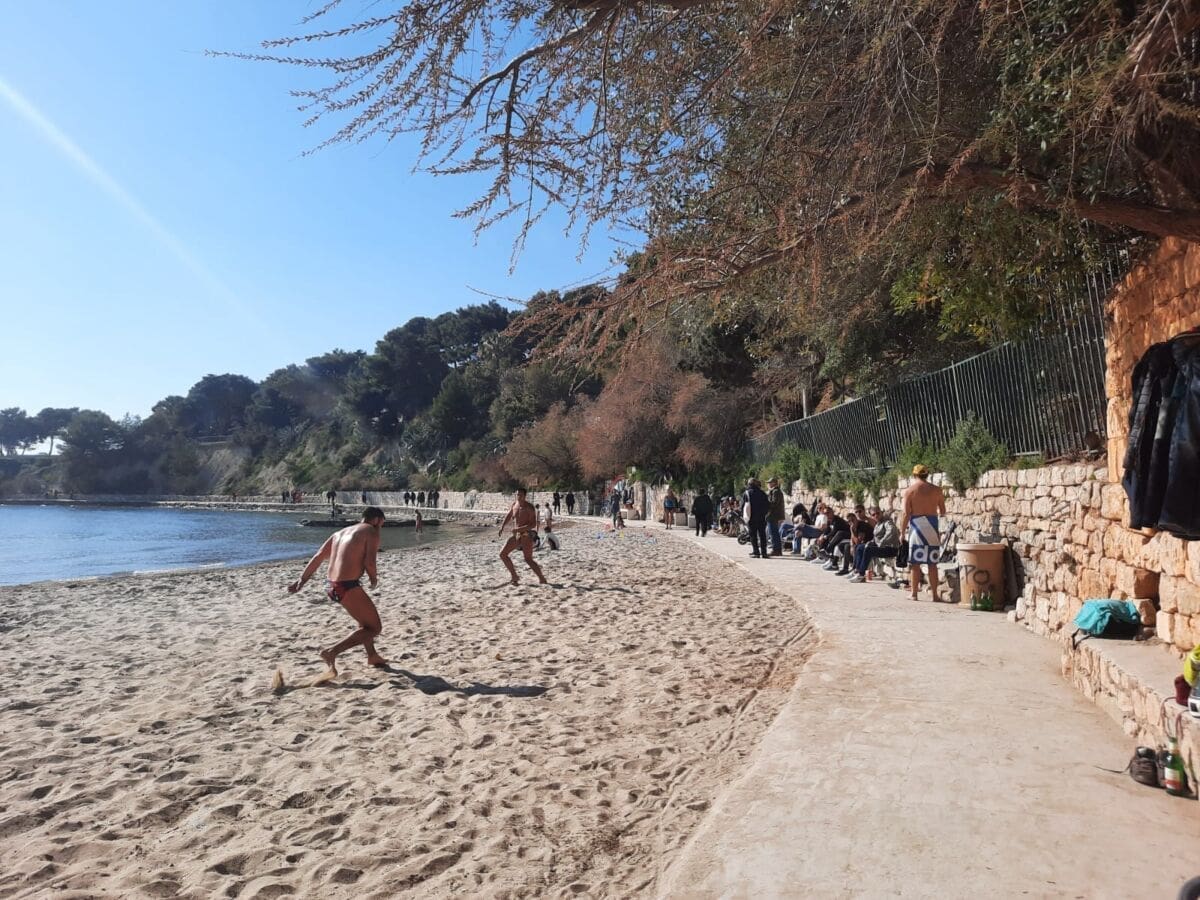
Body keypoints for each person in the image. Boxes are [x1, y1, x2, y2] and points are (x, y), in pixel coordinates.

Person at [287, 507, 387, 673]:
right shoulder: (370, 531)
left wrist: (301, 580)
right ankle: (331, 652)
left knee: (364, 623)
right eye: (382, 523)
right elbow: (370, 562)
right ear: (377, 519)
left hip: (331, 586)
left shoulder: (339, 533)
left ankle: (372, 656)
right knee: (374, 628)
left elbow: (318, 556)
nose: (381, 527)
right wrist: (373, 579)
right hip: (347, 585)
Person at [900, 464, 947, 601]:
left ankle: (914, 594)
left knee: (915, 563)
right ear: (927, 475)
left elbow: (906, 514)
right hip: (932, 526)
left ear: (914, 475)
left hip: (917, 527)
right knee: (932, 564)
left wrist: (902, 532)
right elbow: (942, 511)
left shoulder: (910, 491)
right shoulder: (937, 490)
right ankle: (935, 595)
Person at [499, 488, 548, 586]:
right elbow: (509, 514)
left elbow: (533, 524)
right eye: (517, 495)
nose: (519, 497)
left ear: (525, 496)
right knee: (503, 554)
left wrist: (519, 529)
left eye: (521, 495)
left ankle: (542, 579)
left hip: (526, 535)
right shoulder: (515, 504)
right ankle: (514, 576)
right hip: (517, 535)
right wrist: (502, 526)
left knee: (528, 559)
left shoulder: (529, 507)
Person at [849, 507, 900, 583]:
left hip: (890, 549)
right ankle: (856, 570)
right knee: (860, 547)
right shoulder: (878, 524)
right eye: (873, 514)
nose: (876, 515)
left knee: (869, 550)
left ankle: (861, 575)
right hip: (882, 548)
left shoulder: (887, 522)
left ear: (881, 512)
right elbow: (876, 538)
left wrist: (881, 543)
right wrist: (870, 542)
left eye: (878, 513)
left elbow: (891, 531)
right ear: (871, 516)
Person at [741, 478, 770, 559]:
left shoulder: (747, 493)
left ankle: (756, 552)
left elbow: (743, 506)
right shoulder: (762, 493)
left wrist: (744, 515)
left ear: (749, 484)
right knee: (762, 535)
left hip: (751, 517)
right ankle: (764, 553)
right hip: (761, 517)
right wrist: (764, 513)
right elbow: (767, 505)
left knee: (753, 535)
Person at [766, 477, 787, 556]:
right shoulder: (775, 491)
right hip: (774, 515)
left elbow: (774, 503)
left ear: (774, 483)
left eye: (769, 483)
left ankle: (776, 550)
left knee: (773, 533)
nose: (768, 484)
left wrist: (766, 503)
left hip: (774, 515)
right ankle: (777, 549)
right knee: (774, 533)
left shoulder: (776, 491)